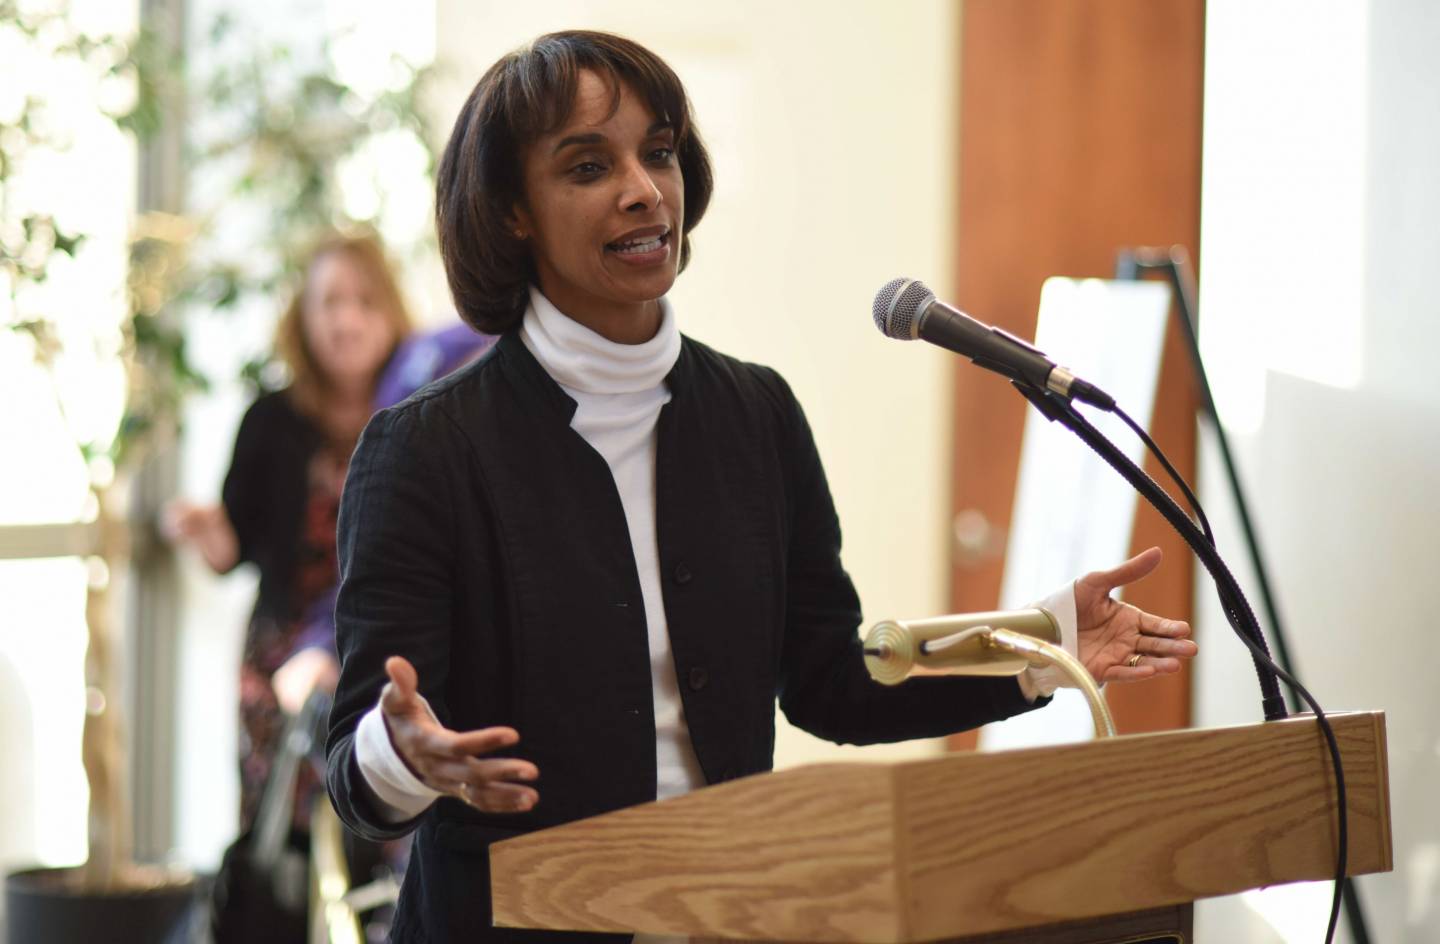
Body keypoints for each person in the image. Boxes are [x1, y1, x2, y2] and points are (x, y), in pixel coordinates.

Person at [324, 31, 1198, 944]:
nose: (643, 189)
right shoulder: (426, 451)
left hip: (730, 916)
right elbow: (355, 773)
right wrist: (402, 757)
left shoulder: (755, 414)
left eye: (659, 152)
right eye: (588, 167)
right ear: (512, 211)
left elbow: (831, 684)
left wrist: (1044, 645)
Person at [167, 231, 414, 832]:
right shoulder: (270, 418)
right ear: (302, 317)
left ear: (390, 312)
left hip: (384, 650)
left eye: (364, 301)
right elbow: (235, 551)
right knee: (278, 832)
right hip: (281, 655)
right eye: (329, 303)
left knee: (380, 826)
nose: (346, 321)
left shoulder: (420, 413)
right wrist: (205, 533)